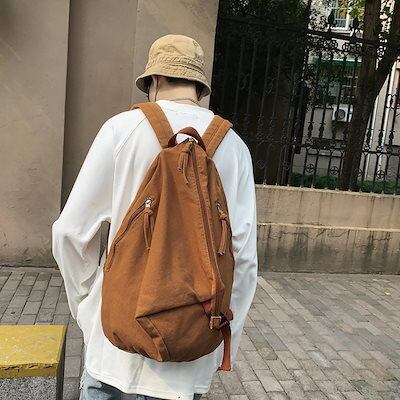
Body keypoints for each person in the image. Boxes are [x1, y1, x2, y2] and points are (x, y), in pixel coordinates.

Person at [52, 34, 258, 400]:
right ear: (199, 87)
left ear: (155, 80)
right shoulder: (235, 149)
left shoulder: (121, 130)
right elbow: (243, 261)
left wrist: (87, 307)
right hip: (188, 353)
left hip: (113, 350)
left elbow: (69, 232)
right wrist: (224, 340)